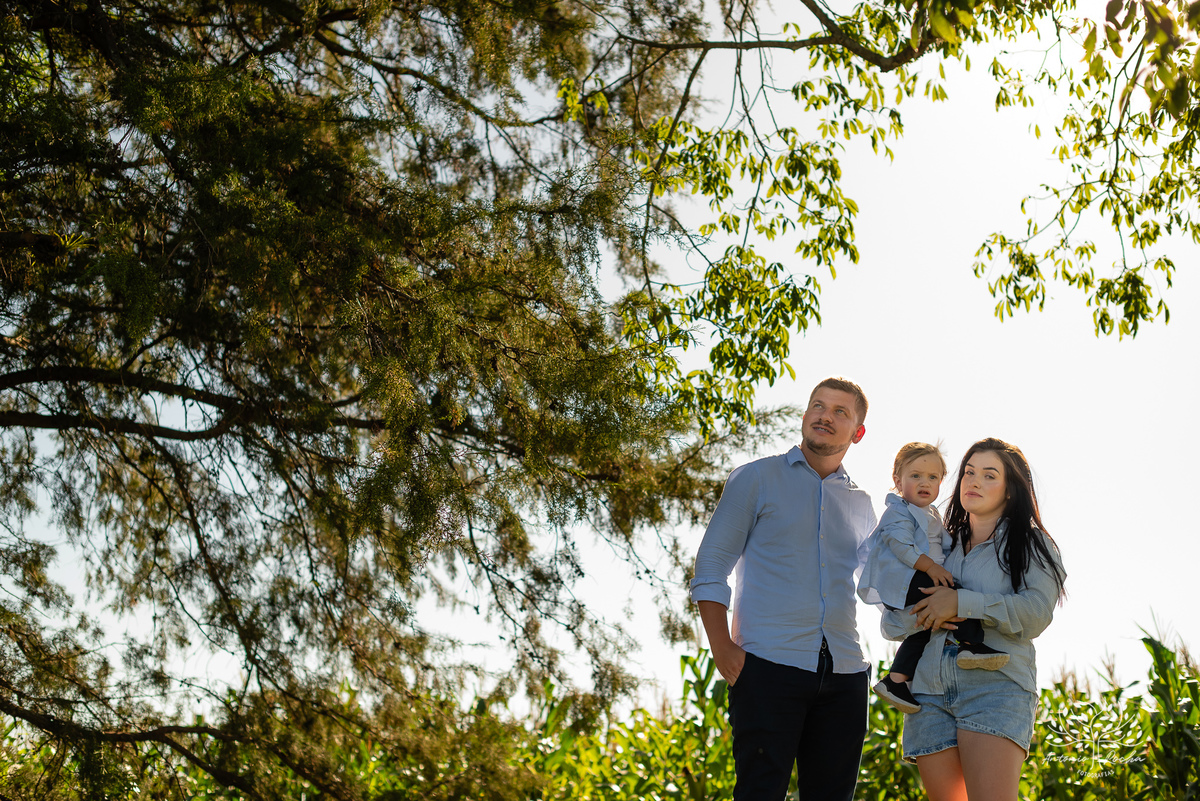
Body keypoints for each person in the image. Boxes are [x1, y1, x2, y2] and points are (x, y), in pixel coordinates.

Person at [690, 377, 878, 801]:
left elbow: (880, 587)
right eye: (817, 405)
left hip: (846, 676)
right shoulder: (755, 479)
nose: (824, 416)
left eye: (839, 412)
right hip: (766, 668)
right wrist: (722, 647)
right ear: (805, 414)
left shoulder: (862, 504)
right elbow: (711, 565)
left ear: (857, 432)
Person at [882, 438, 1067, 801]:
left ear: (1011, 490)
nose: (974, 481)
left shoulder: (1032, 544)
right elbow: (891, 625)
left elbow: (1035, 615)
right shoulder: (935, 548)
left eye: (989, 475)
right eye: (968, 472)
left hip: (994, 689)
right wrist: (924, 613)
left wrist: (961, 603)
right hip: (927, 694)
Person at [858, 443, 1009, 715]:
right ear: (897, 480)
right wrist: (932, 569)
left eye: (932, 477)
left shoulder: (929, 513)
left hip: (916, 577)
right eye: (915, 476)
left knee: (926, 627)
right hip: (906, 579)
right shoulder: (899, 510)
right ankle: (972, 645)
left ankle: (895, 681)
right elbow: (900, 545)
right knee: (955, 596)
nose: (924, 483)